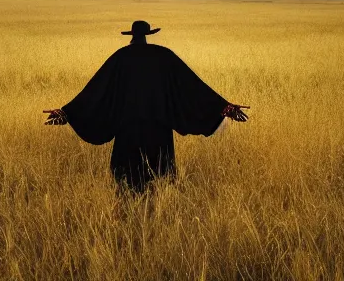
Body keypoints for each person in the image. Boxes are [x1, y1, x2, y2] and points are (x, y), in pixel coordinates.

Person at [44, 20, 249, 194]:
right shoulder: (164, 56)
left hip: (127, 129)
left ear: (131, 36)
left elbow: (96, 90)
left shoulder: (121, 57)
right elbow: (192, 86)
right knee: (158, 182)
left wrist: (67, 112)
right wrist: (224, 106)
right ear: (148, 35)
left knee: (126, 184)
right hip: (158, 129)